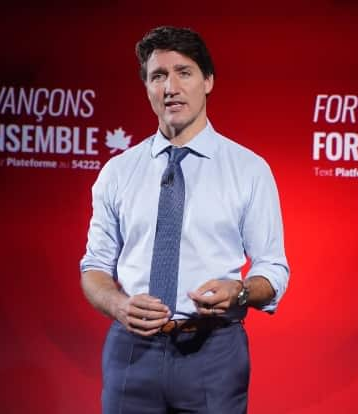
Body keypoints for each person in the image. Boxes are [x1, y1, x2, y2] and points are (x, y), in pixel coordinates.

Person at [80, 26, 290, 414]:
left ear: (208, 81)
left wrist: (240, 292)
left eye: (184, 72)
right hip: (132, 350)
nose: (170, 87)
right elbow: (94, 266)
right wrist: (118, 305)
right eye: (158, 76)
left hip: (213, 351)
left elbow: (273, 268)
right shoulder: (118, 171)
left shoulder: (248, 170)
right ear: (146, 87)